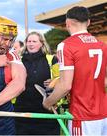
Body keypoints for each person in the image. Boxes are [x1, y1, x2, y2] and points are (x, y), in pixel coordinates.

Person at [43, 6, 107, 136]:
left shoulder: (66, 45)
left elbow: (66, 85)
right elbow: (104, 82)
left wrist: (48, 102)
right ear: (88, 22)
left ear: (67, 23)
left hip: (82, 115)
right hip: (103, 114)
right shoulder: (102, 45)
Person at [14, 31, 60, 135]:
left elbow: (61, 78)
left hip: (46, 111)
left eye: (34, 41)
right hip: (22, 112)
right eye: (29, 41)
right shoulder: (19, 60)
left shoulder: (52, 59)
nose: (31, 44)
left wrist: (54, 82)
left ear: (42, 43)